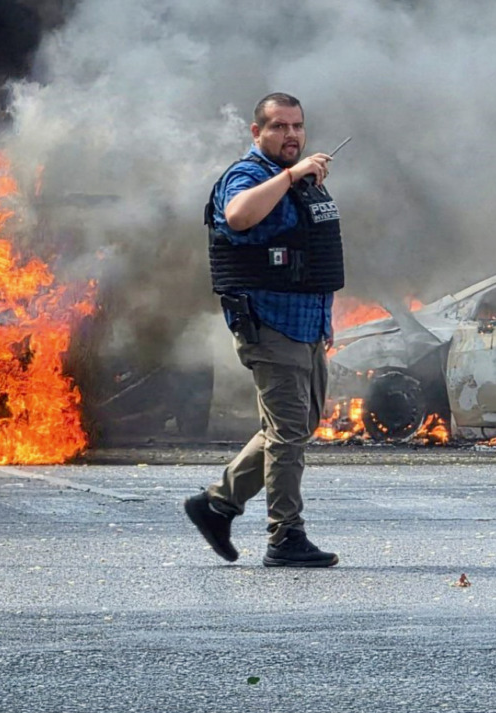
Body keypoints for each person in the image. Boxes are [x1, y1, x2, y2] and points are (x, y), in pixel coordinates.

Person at [185, 92, 342, 568]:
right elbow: (238, 216)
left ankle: (217, 504)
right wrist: (291, 175)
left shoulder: (302, 183)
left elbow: (311, 255)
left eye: (297, 126)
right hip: (269, 323)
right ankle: (285, 535)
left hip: (305, 324)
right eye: (278, 127)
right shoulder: (249, 175)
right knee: (288, 431)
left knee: (294, 426)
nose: (290, 135)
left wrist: (324, 320)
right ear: (257, 132)